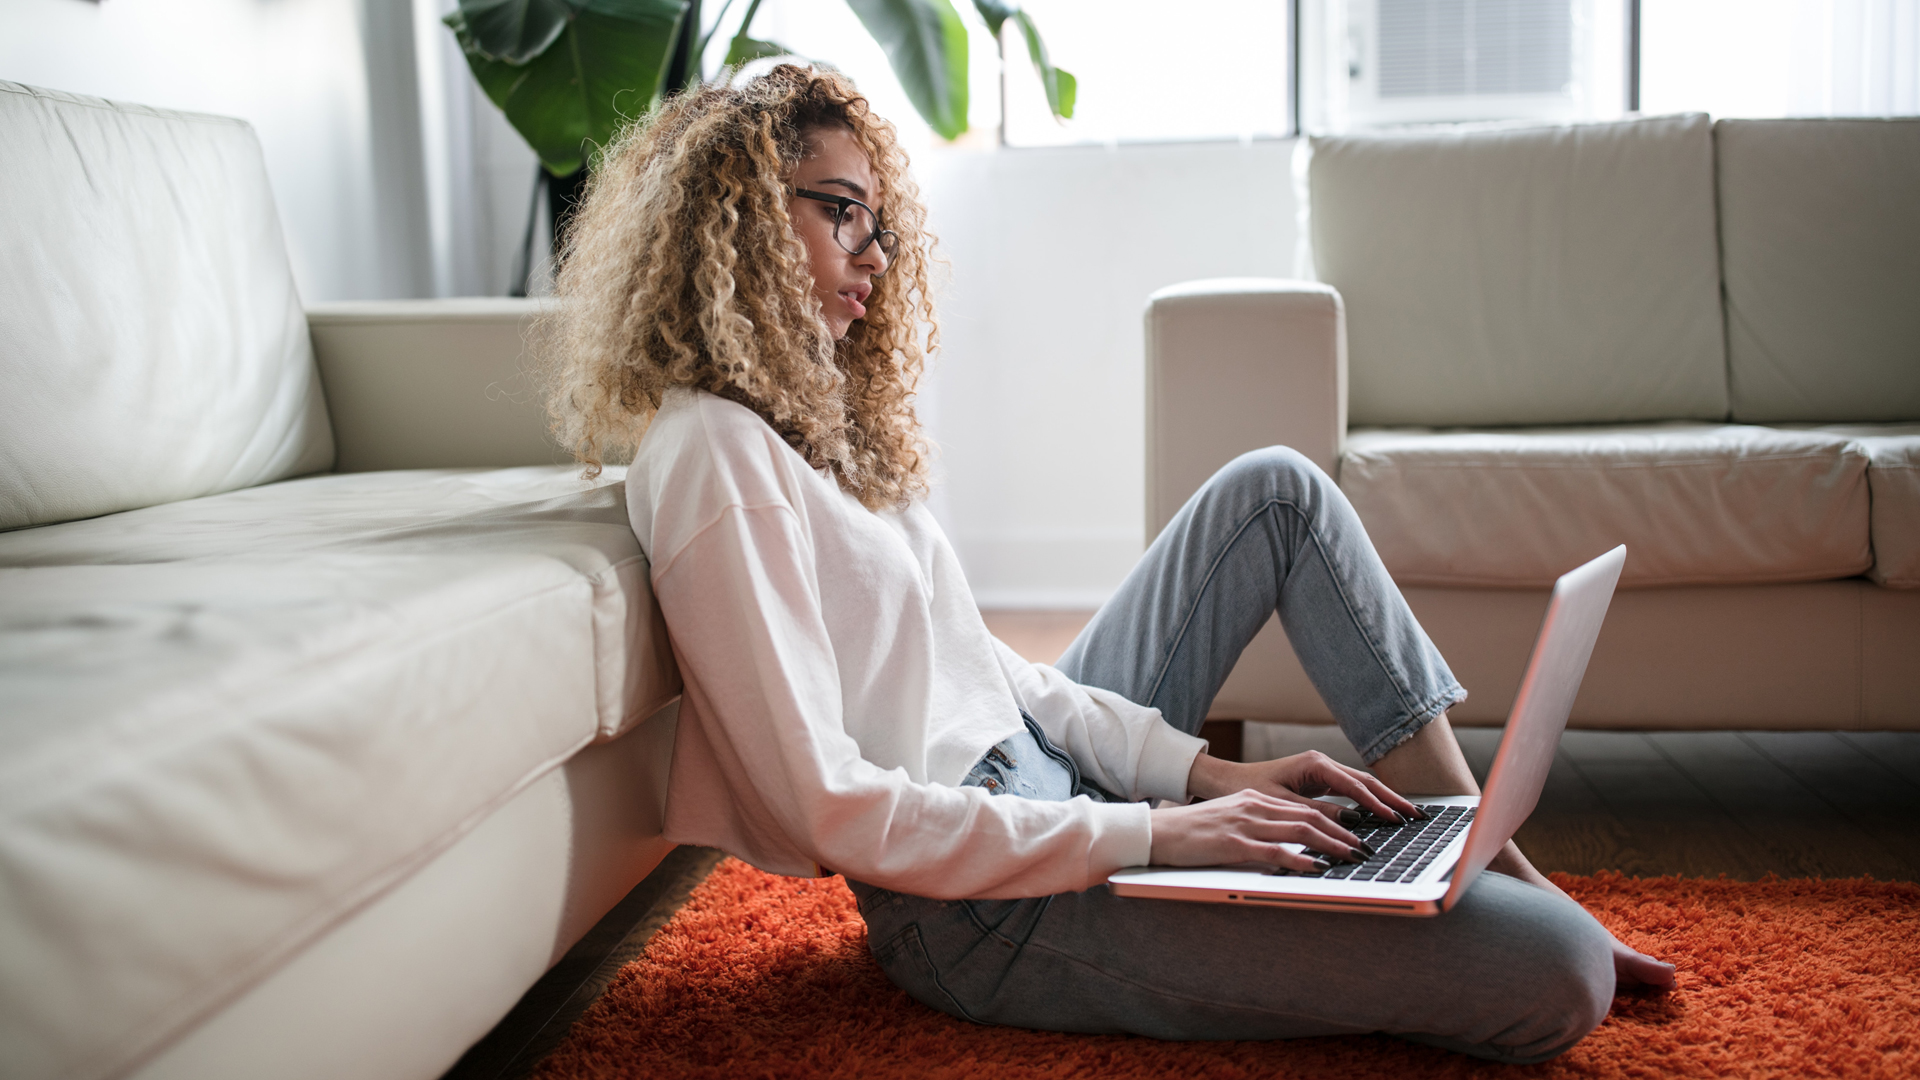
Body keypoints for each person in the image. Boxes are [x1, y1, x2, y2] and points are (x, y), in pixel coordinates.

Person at [539, 64, 1674, 1064]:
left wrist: (1200, 779)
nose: (874, 255)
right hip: (978, 908)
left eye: (878, 221)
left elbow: (989, 672)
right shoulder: (712, 453)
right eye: (841, 213)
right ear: (734, 218)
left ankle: (1473, 844)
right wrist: (1155, 834)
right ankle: (1470, 901)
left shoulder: (812, 423)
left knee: (1274, 489)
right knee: (1561, 973)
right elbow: (829, 806)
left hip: (1046, 785)